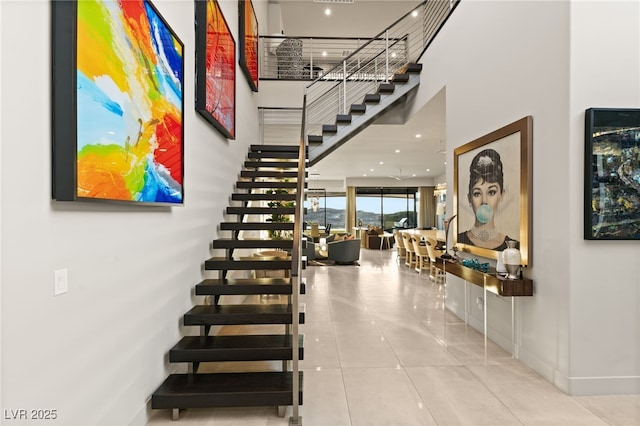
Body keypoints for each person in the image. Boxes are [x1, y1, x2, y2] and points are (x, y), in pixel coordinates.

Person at [457, 148, 519, 250]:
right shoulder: (458, 241)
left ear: (501, 195)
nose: (484, 201)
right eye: (477, 193)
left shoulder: (514, 248)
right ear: (469, 198)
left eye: (491, 192)